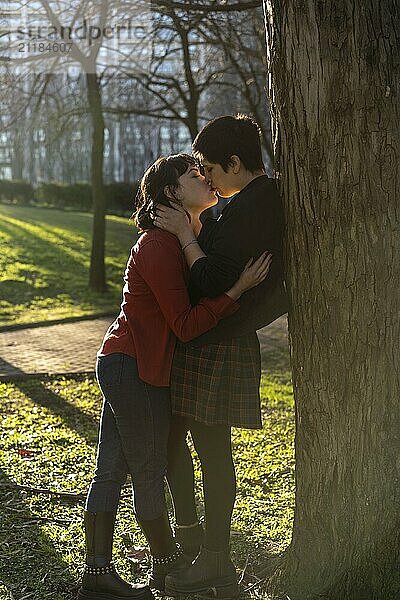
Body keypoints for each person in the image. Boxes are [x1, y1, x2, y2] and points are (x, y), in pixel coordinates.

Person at [77, 153, 272, 600]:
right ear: (171, 193)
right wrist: (236, 291)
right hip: (133, 366)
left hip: (132, 363)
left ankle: (97, 574)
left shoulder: (189, 237)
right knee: (143, 470)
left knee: (112, 469)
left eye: (205, 170)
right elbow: (184, 324)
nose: (204, 177)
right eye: (192, 174)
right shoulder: (160, 246)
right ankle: (166, 566)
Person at [154, 115, 288, 598]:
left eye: (211, 167)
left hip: (221, 343)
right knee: (182, 445)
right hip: (206, 340)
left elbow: (209, 280)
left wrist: (188, 239)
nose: (206, 177)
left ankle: (214, 559)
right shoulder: (237, 205)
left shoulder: (258, 204)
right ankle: (197, 544)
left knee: (212, 454)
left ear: (235, 163)